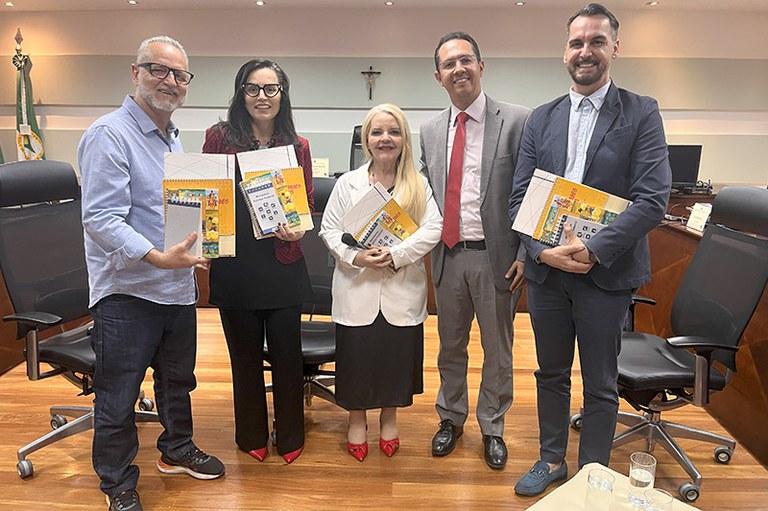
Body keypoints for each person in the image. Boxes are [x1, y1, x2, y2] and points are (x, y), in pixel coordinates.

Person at [509, 3, 671, 496]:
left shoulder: (641, 112)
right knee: (551, 372)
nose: (586, 52)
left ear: (614, 49)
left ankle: (591, 476)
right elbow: (520, 198)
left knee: (601, 384)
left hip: (606, 273)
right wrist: (540, 253)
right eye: (577, 42)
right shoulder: (542, 118)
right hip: (548, 276)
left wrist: (594, 248)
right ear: (565, 51)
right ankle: (551, 459)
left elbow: (652, 199)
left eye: (596, 42)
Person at [79, 35, 225, 511]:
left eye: (179, 75)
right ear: (135, 72)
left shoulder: (175, 137)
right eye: (158, 70)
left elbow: (178, 212)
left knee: (178, 381)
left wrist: (209, 237)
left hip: (176, 288)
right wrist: (158, 258)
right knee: (118, 394)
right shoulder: (110, 134)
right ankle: (118, 483)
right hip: (128, 292)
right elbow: (101, 218)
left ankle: (176, 449)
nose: (170, 82)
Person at [419, 32, 531, 470]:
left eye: (466, 60)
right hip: (447, 256)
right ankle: (450, 417)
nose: (459, 69)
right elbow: (423, 194)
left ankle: (493, 426)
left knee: (498, 349)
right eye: (449, 64)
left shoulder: (518, 121)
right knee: (450, 346)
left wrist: (527, 250)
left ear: (481, 66)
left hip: (497, 257)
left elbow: (532, 190)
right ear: (438, 76)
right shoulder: (430, 130)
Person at [202, 59, 314, 465]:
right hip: (235, 268)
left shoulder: (297, 146)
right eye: (253, 89)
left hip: (282, 265)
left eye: (271, 89)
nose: (262, 97)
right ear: (240, 93)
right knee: (244, 358)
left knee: (288, 357)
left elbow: (307, 206)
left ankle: (291, 435)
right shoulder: (218, 139)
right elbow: (204, 196)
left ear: (282, 94)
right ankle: (250, 432)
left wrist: (299, 228)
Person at [319, 103, 442, 461]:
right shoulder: (348, 184)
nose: (385, 139)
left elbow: (433, 228)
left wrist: (395, 254)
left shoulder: (418, 185)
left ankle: (390, 418)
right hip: (356, 287)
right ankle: (356, 420)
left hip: (402, 288)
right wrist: (357, 256)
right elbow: (330, 230)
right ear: (365, 140)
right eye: (377, 132)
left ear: (404, 138)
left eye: (393, 131)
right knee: (357, 359)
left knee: (395, 359)